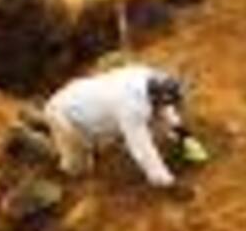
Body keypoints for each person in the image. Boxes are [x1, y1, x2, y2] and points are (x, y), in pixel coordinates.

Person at [42, 64, 190, 189]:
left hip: (86, 99)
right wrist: (166, 182)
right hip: (62, 113)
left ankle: (86, 143)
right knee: (78, 165)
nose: (168, 107)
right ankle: (53, 163)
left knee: (105, 138)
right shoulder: (129, 106)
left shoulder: (151, 76)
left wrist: (179, 129)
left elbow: (163, 106)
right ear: (154, 97)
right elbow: (142, 148)